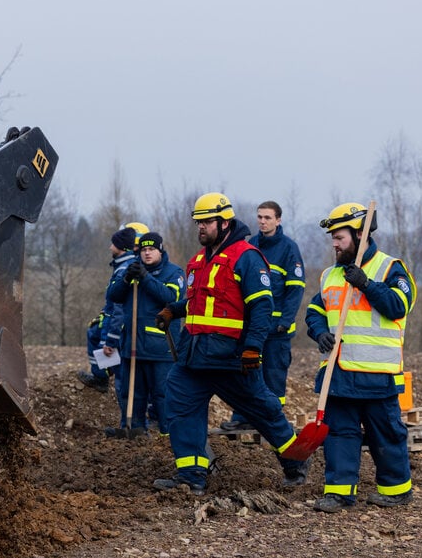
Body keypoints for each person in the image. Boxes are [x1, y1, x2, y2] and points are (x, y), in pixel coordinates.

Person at [152, 193, 309, 495]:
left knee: (264, 410)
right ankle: (192, 476)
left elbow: (262, 307)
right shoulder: (199, 260)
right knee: (180, 407)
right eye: (198, 222)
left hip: (232, 358)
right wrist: (176, 309)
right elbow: (204, 302)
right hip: (194, 357)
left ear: (224, 223)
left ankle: (297, 462)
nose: (200, 227)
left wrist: (253, 347)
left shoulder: (246, 257)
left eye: (206, 222)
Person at [305, 202, 416, 513]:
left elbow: (398, 306)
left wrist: (366, 284)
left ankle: (396, 490)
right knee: (339, 434)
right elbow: (315, 311)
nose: (335, 244)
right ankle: (338, 493)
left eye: (339, 237)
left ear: (359, 234)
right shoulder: (330, 274)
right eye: (332, 239)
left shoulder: (390, 267)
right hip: (338, 373)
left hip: (377, 374)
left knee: (387, 434)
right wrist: (319, 333)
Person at [221, 200, 306, 430]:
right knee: (246, 370)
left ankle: (272, 421)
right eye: (259, 217)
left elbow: (295, 289)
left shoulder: (289, 248)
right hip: (252, 326)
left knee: (273, 376)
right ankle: (241, 418)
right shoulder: (249, 246)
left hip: (277, 330)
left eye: (267, 217)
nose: (262, 221)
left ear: (278, 220)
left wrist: (285, 321)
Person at [105, 232, 184, 437]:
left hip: (160, 348)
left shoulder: (174, 272)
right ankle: (134, 430)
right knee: (132, 393)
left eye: (152, 249)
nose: (147, 254)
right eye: (144, 250)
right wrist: (126, 279)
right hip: (133, 346)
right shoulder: (132, 272)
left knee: (163, 395)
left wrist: (146, 278)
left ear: (160, 250)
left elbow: (171, 297)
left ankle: (170, 434)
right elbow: (113, 296)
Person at [77, 226, 139, 394]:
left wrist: (109, 340)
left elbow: (118, 308)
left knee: (116, 362)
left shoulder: (123, 270)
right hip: (114, 319)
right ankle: (103, 374)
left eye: (113, 244)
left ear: (121, 247)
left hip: (117, 324)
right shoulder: (123, 266)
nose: (110, 247)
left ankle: (102, 377)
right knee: (94, 331)